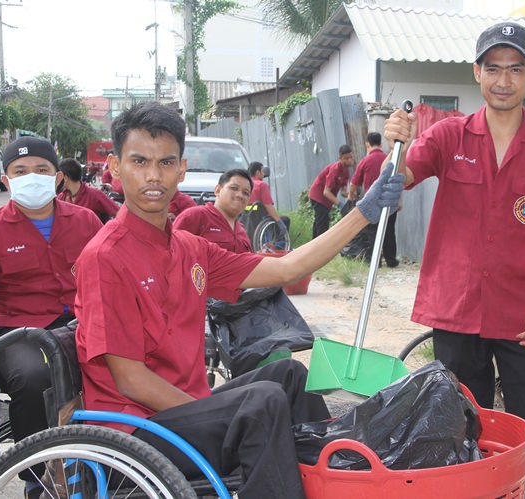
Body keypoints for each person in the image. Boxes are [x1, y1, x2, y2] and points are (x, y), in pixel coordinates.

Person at [74, 101, 404, 499]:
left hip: (183, 412)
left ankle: (335, 480)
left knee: (289, 376)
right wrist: (218, 411)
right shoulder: (105, 256)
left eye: (165, 163)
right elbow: (129, 378)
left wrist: (363, 213)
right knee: (259, 403)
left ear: (181, 169)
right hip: (137, 432)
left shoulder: (189, 247)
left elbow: (287, 269)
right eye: (139, 161)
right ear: (114, 166)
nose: (152, 176)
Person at [384, 22, 525, 499]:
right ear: (477, 72)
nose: (504, 80)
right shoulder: (448, 137)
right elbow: (397, 184)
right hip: (455, 312)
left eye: (515, 69)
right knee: (460, 433)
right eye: (494, 69)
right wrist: (392, 146)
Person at [0, 137, 102, 498]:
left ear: (58, 178)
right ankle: (37, 476)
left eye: (42, 170)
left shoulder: (87, 221)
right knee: (33, 378)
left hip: (80, 321)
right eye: (21, 171)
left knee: (118, 367)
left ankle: (107, 459)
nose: (32, 177)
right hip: (17, 329)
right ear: (6, 180)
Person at [348, 132, 399, 267]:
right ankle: (391, 260)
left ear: (367, 144)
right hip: (389, 201)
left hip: (373, 204)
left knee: (372, 233)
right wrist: (399, 200)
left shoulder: (365, 161)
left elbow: (354, 183)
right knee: (389, 232)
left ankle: (375, 261)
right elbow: (398, 180)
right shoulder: (390, 159)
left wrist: (350, 195)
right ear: (381, 144)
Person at [173, 169, 253, 253]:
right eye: (234, 188)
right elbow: (170, 250)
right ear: (217, 190)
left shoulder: (242, 231)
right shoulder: (195, 216)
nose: (240, 195)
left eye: (246, 193)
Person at [307, 144, 354, 238]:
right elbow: (326, 192)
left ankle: (314, 246)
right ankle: (320, 247)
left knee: (319, 222)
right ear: (340, 158)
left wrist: (351, 195)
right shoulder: (335, 169)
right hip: (318, 196)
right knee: (322, 223)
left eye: (350, 157)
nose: (349, 160)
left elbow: (343, 192)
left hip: (326, 200)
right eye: (346, 158)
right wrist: (339, 204)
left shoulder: (346, 171)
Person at [57, 157, 120, 223]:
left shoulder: (95, 195)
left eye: (59, 176)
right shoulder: (61, 198)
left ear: (65, 178)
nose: (57, 179)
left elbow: (118, 213)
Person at [248, 161, 289, 233]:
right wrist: (279, 222)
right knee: (285, 220)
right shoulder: (262, 185)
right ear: (257, 172)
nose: (263, 174)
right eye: (262, 171)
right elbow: (268, 206)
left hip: (246, 219)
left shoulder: (245, 184)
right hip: (260, 218)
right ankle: (279, 242)